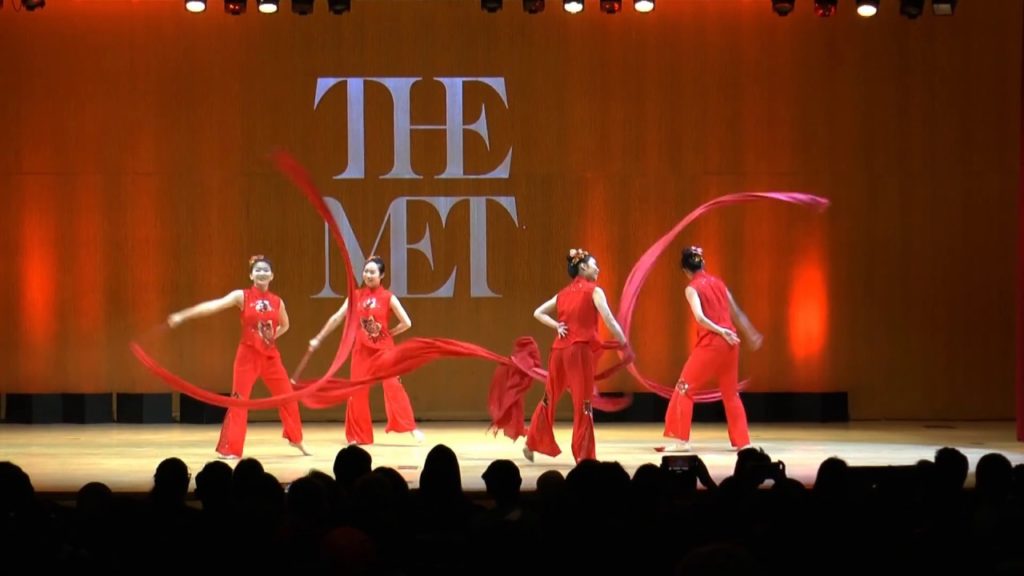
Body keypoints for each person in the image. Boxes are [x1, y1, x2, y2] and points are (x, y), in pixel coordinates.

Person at [167, 255, 309, 459]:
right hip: (247, 357)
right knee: (239, 401)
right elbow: (213, 306)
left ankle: (297, 440)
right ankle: (231, 448)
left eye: (265, 270)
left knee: (288, 397)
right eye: (257, 270)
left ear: (272, 276)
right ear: (251, 275)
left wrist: (268, 337)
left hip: (270, 357)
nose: (262, 273)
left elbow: (285, 324)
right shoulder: (241, 296)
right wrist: (183, 315)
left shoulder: (277, 301)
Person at [523, 248, 630, 464]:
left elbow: (538, 312)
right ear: (583, 267)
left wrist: (557, 326)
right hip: (578, 352)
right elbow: (608, 318)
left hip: (558, 351)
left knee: (549, 397)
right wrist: (623, 340)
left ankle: (531, 442)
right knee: (583, 402)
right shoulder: (594, 291)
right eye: (594, 265)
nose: (598, 268)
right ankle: (584, 456)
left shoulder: (563, 293)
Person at [308, 256, 424, 445]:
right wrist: (319, 337)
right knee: (358, 392)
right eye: (366, 271)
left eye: (373, 272)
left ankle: (410, 428)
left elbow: (407, 322)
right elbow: (337, 318)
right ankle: (358, 435)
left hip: (384, 351)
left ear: (382, 275)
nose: (368, 275)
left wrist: (389, 333)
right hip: (361, 351)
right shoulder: (355, 296)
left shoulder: (388, 297)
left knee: (393, 386)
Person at [663, 246, 761, 452]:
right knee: (731, 394)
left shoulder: (692, 288)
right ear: (703, 264)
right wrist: (751, 333)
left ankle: (681, 440)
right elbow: (736, 312)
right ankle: (743, 442)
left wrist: (720, 331)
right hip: (731, 344)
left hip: (712, 343)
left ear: (685, 271)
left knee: (684, 388)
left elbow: (699, 317)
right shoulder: (719, 284)